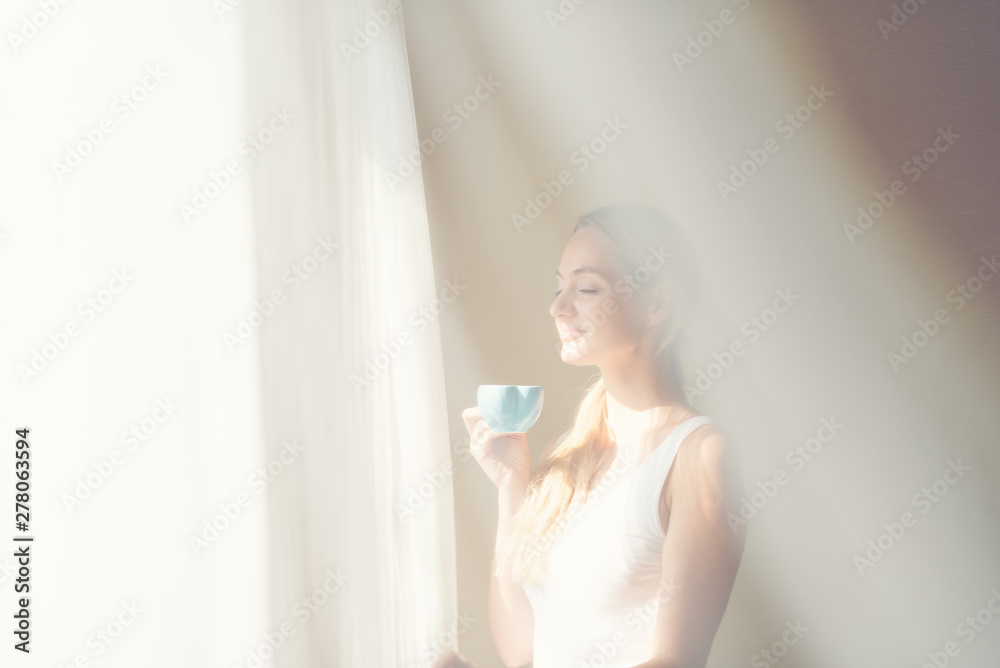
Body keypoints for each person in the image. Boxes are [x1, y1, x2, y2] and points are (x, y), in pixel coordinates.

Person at [459, 203, 746, 668]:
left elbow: (676, 662)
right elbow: (521, 651)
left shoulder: (699, 456)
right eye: (558, 287)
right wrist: (511, 487)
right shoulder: (567, 454)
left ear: (657, 305)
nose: (557, 307)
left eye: (587, 288)